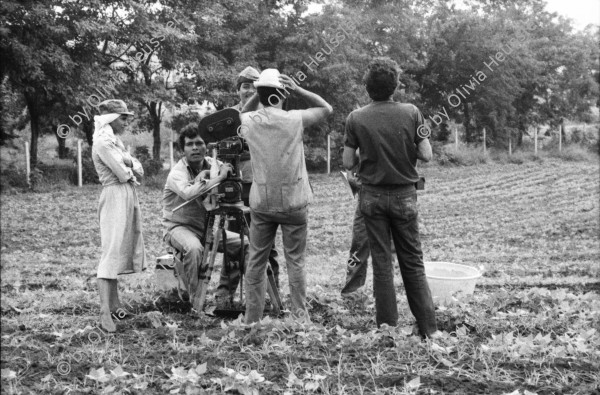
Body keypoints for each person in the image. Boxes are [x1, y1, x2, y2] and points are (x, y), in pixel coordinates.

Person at [342, 57, 440, 338]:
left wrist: (367, 150)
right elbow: (427, 155)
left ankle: (388, 330)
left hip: (371, 199)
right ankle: (429, 331)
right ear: (396, 86)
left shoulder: (355, 118)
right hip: (405, 197)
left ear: (366, 87)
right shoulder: (412, 112)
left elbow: (348, 162)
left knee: (381, 264)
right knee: (413, 261)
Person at [240, 69, 333, 323]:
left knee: (256, 262)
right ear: (283, 94)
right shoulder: (294, 119)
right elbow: (327, 109)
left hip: (262, 202)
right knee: (296, 262)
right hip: (294, 202)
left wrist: (257, 93)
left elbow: (241, 114)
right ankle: (300, 319)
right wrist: (298, 89)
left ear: (259, 94)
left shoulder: (250, 121)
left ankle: (252, 320)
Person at [162, 124, 245, 310]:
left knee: (243, 244)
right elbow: (188, 192)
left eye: (199, 143)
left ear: (206, 146)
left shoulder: (212, 162)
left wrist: (216, 172)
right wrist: (217, 178)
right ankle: (195, 303)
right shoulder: (177, 172)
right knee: (193, 249)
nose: (195, 148)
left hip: (205, 229)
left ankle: (224, 297)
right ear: (182, 150)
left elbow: (234, 174)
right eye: (189, 144)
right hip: (178, 228)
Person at [92, 99, 146, 333]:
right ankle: (105, 310)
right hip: (114, 194)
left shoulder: (116, 140)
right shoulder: (103, 141)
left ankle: (115, 306)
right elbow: (124, 173)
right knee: (111, 250)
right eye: (123, 117)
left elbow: (139, 169)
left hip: (125, 195)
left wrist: (130, 163)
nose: (126, 122)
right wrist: (129, 164)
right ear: (111, 118)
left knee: (122, 248)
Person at [230, 66, 280, 290]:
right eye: (245, 86)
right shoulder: (230, 116)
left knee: (266, 241)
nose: (249, 91)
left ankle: (272, 291)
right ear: (238, 90)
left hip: (262, 185)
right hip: (234, 186)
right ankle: (228, 293)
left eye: (254, 86)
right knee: (232, 240)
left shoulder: (268, 113)